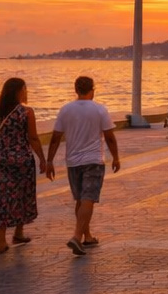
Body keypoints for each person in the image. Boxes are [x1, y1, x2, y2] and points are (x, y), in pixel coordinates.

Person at [46, 76, 121, 256]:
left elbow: (55, 137)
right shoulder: (99, 109)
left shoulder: (65, 110)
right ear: (92, 90)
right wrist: (116, 157)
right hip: (93, 160)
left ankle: (87, 236)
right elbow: (109, 137)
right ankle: (77, 236)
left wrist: (49, 161)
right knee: (88, 199)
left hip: (73, 162)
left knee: (81, 199)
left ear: (76, 89)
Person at [0, 77, 47, 255]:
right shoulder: (26, 112)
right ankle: (19, 233)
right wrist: (42, 158)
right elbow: (33, 138)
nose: (26, 92)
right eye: (24, 89)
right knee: (22, 194)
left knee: (0, 197)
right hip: (21, 160)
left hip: (0, 159)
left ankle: (2, 241)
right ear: (18, 92)